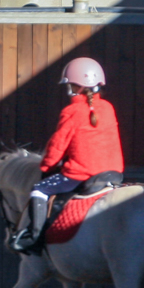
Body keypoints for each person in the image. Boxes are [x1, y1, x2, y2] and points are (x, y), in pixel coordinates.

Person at [9, 56, 123, 253]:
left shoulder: (72, 111)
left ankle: (35, 238)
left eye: (70, 84)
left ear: (76, 86)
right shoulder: (108, 108)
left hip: (83, 174)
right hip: (113, 173)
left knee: (39, 189)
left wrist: (46, 167)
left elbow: (57, 146)